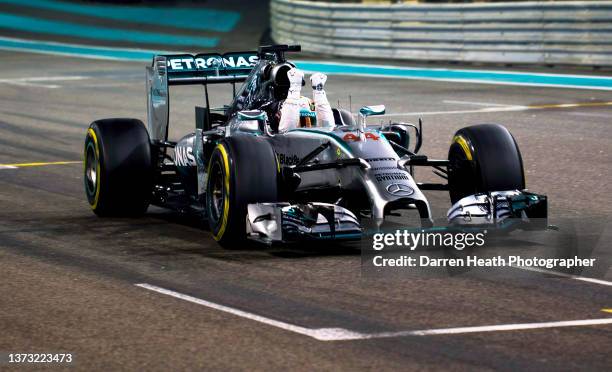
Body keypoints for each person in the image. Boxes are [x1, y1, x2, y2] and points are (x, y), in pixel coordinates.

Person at [276, 68, 335, 132]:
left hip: (293, 130)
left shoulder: (285, 105)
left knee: (285, 131)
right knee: (329, 128)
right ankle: (318, 91)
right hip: (314, 121)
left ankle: (295, 87)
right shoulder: (308, 102)